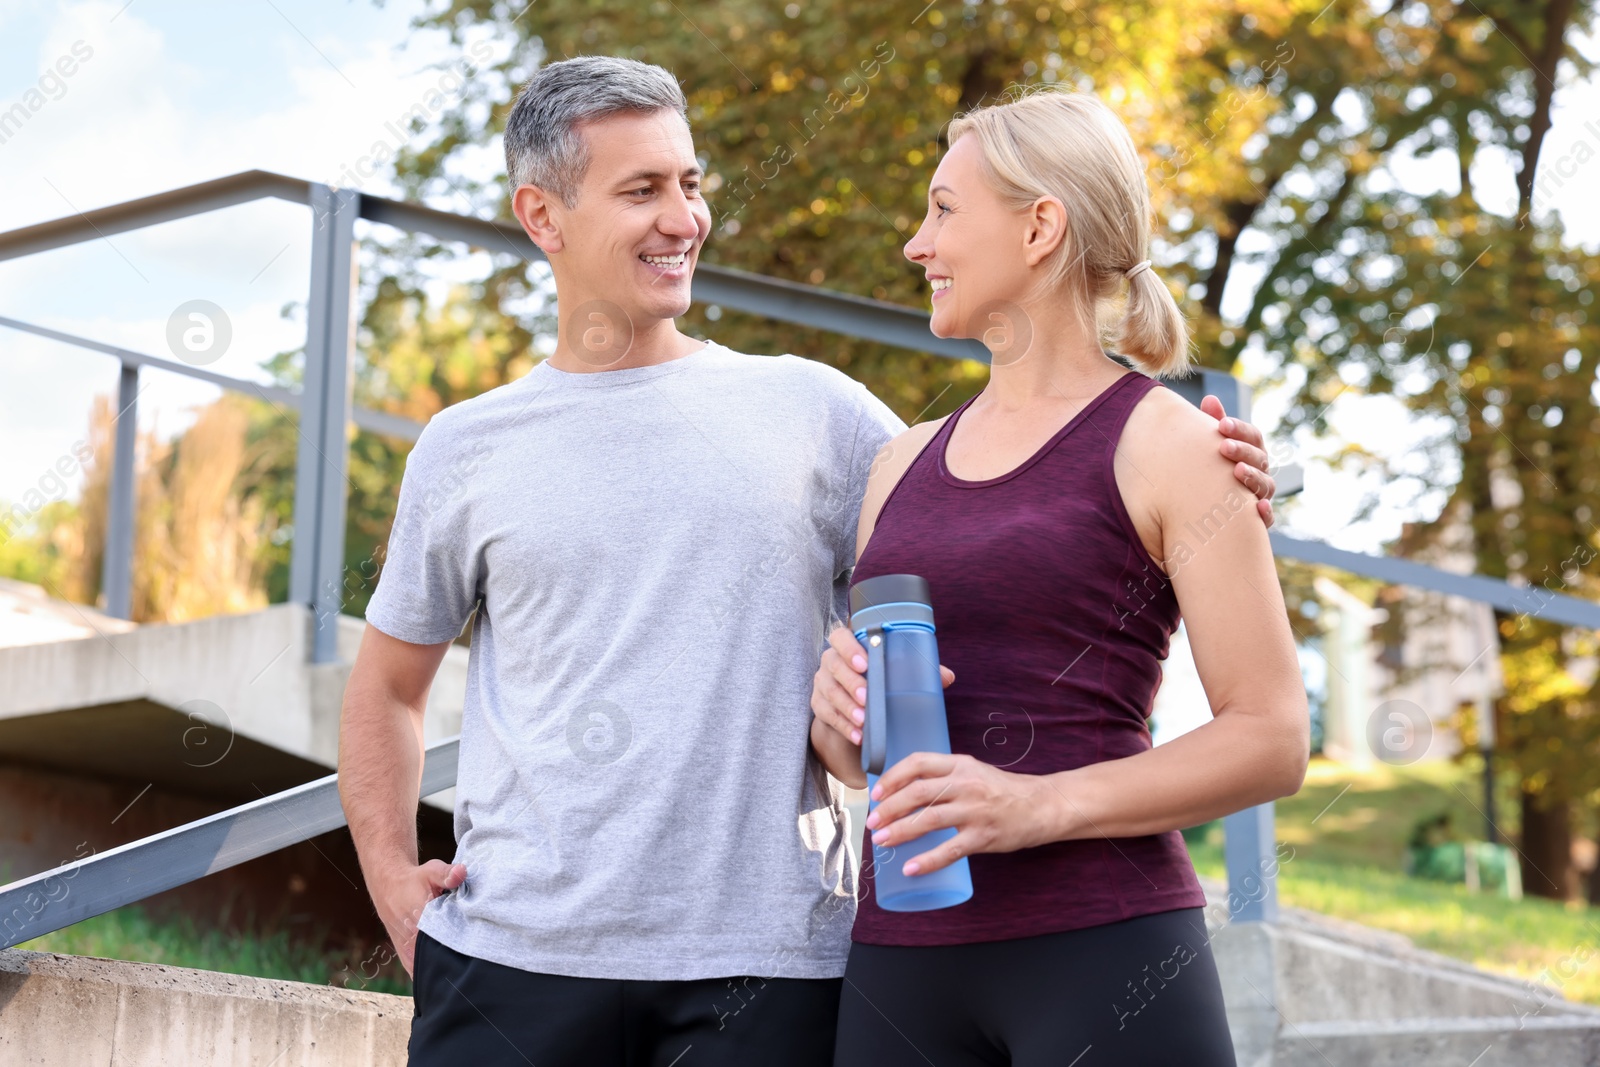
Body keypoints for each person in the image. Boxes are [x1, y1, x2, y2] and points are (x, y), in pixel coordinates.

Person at [336, 57, 1281, 1066]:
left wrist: (1233, 477)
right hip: (514, 964)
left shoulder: (819, 416)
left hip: (772, 968)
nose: (683, 217)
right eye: (642, 189)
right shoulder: (467, 445)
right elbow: (388, 684)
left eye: (691, 184)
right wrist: (393, 877)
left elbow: (1026, 503)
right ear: (542, 214)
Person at [809, 87, 1310, 1067]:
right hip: (900, 960)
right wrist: (835, 717)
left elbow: (1273, 736)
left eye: (944, 210)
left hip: (1104, 952)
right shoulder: (895, 466)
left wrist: (1036, 805)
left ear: (1040, 226)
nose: (917, 244)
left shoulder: (1176, 444)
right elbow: (858, 756)